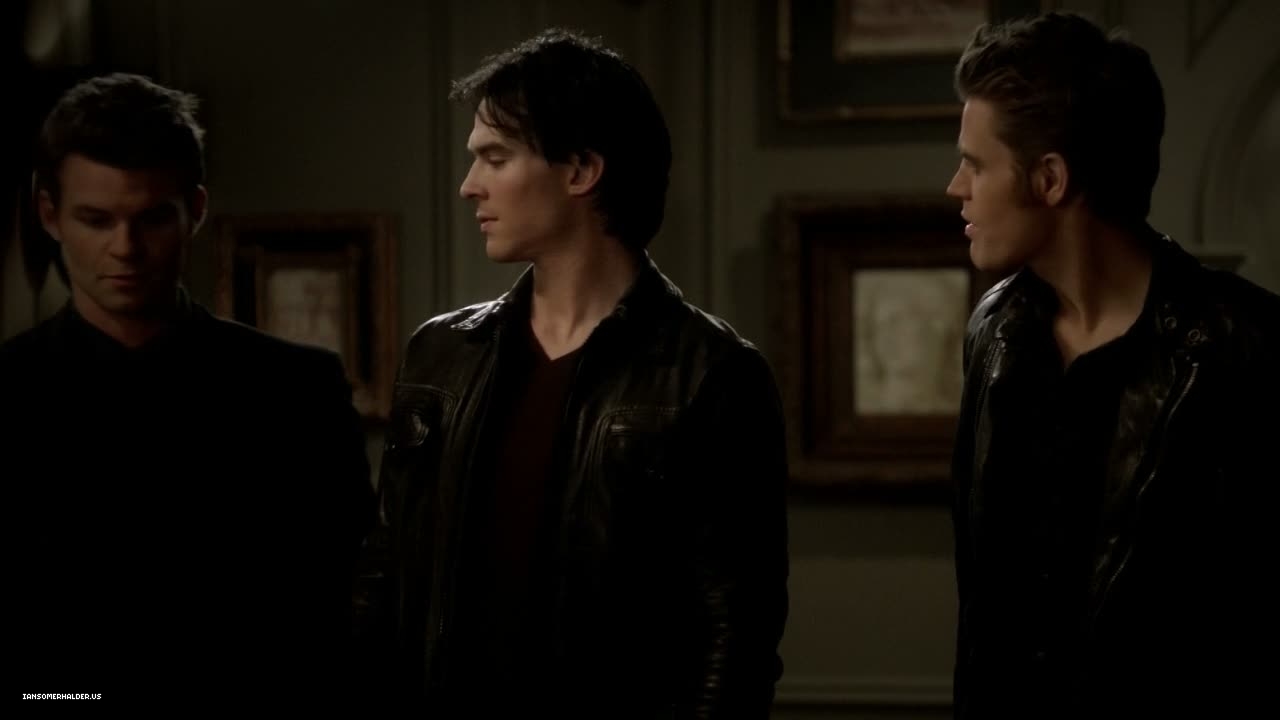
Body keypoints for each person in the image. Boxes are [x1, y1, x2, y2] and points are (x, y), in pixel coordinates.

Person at [355, 28, 789, 718]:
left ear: (581, 170)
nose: (469, 186)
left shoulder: (711, 375)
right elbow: (383, 576)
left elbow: (733, 635)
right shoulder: (442, 354)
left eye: (495, 157)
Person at [946, 12, 1280, 719]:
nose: (956, 187)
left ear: (1050, 178)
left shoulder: (1245, 347)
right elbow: (982, 609)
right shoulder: (994, 333)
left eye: (976, 164)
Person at [1, 73, 375, 704]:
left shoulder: (295, 391)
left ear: (194, 212)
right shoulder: (7, 393)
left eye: (151, 219)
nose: (125, 249)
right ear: (49, 216)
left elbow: (340, 606)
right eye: (96, 220)